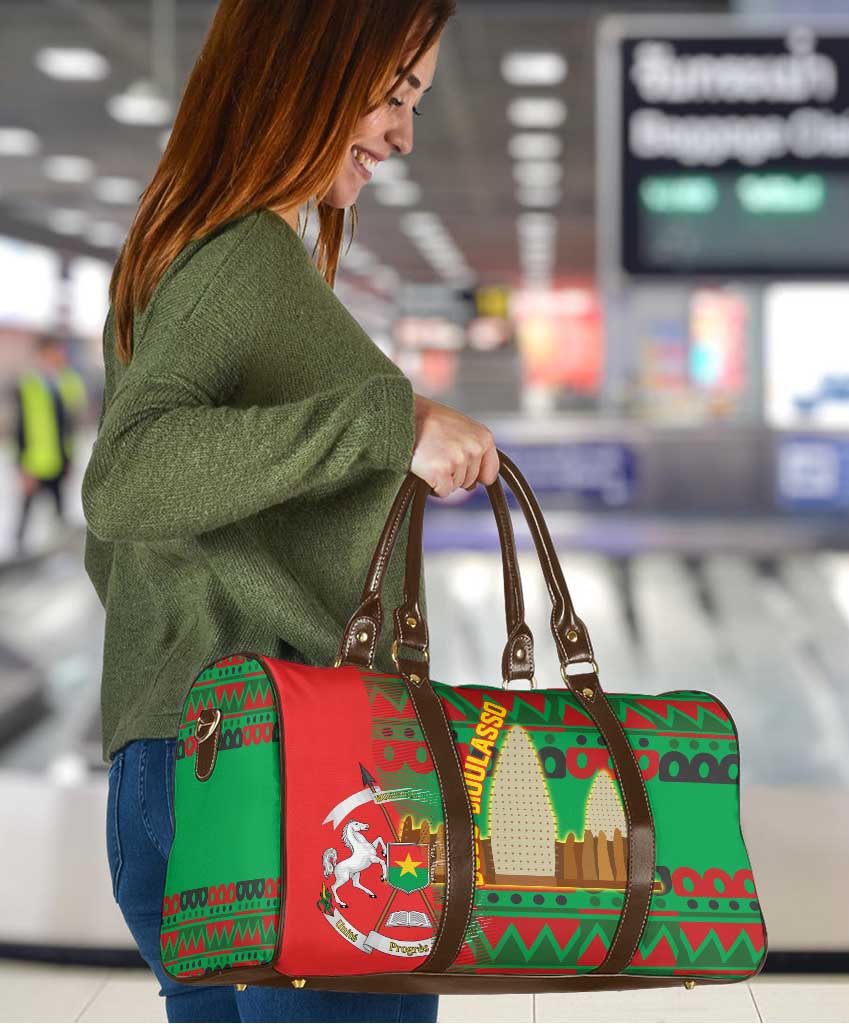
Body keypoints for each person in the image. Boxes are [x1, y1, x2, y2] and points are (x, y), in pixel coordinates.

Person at [81, 3, 496, 1021]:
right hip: (297, 779)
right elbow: (126, 477)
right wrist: (385, 424)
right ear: (307, 64)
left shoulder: (183, 253)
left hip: (184, 756)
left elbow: (131, 540)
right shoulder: (240, 261)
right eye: (395, 94)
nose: (402, 133)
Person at [11, 331, 85, 556]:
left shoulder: (65, 381)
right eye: (54, 351)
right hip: (35, 462)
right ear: (43, 353)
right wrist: (22, 466)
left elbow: (71, 419)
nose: (59, 355)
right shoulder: (28, 385)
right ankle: (18, 554)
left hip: (60, 459)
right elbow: (20, 428)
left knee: (60, 511)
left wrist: (70, 458)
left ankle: (59, 554)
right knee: (26, 512)